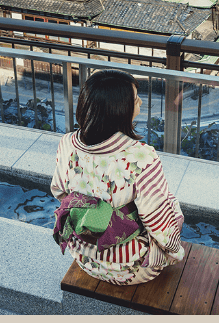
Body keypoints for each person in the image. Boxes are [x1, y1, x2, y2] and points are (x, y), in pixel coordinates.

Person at [51, 69, 185, 285]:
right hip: (133, 269)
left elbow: (59, 191)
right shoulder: (141, 158)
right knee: (171, 204)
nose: (140, 101)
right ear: (118, 110)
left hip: (84, 258)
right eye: (135, 99)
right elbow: (157, 221)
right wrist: (175, 251)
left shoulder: (67, 143)